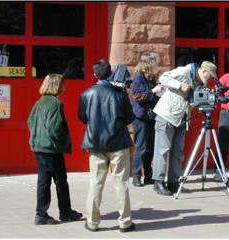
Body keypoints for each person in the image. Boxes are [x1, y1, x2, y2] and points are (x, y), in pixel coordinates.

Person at [78, 59, 136, 232]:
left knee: (96, 183)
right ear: (110, 73)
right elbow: (129, 118)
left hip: (96, 144)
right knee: (121, 183)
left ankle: (92, 222)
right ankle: (125, 222)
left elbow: (83, 118)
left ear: (95, 74)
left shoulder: (86, 94)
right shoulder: (120, 93)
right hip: (118, 142)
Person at [152, 61, 218, 195]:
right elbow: (163, 78)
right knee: (162, 150)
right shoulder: (184, 71)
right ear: (204, 72)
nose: (210, 79)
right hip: (166, 115)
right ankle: (158, 182)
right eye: (210, 76)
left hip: (182, 119)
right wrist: (180, 85)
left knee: (178, 152)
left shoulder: (199, 83)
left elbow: (191, 100)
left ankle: (173, 182)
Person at [28, 74, 82, 225]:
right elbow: (55, 128)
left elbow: (29, 121)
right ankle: (64, 212)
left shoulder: (39, 102)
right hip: (51, 148)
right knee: (60, 181)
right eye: (62, 84)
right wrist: (61, 139)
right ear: (57, 86)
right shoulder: (55, 104)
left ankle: (41, 213)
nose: (64, 87)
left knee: (44, 181)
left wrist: (37, 137)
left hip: (39, 147)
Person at [131, 53, 163, 187]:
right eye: (155, 63)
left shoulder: (150, 77)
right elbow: (137, 96)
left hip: (150, 116)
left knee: (150, 147)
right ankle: (136, 176)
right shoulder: (139, 77)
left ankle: (148, 176)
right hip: (141, 117)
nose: (157, 66)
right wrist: (154, 91)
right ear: (149, 64)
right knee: (141, 147)